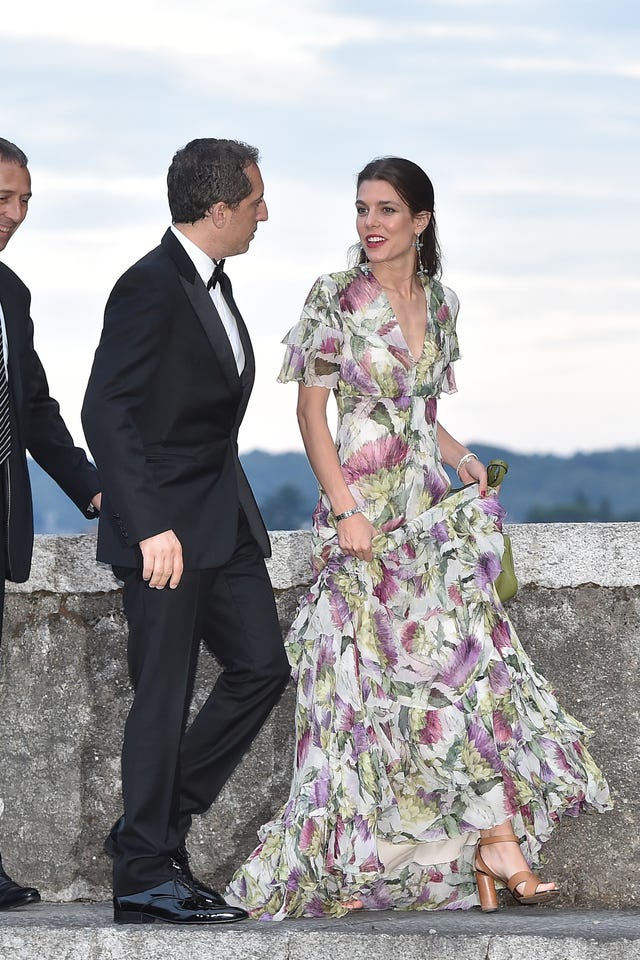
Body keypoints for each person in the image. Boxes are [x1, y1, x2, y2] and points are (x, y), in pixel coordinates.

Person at [228, 156, 611, 918]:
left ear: (421, 222)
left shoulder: (441, 302)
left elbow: (421, 412)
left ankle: (491, 844)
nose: (370, 223)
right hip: (364, 516)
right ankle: (495, 844)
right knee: (410, 689)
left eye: (387, 210)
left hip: (429, 518)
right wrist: (344, 511)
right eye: (362, 209)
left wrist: (464, 457)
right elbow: (312, 415)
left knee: (465, 676)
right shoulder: (335, 297)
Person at [81, 138, 290, 926]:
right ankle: (143, 875)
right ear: (217, 208)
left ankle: (156, 826)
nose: (264, 213)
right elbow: (106, 410)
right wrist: (149, 526)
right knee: (162, 699)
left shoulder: (212, 281)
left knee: (263, 669)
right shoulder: (149, 284)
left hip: (223, 521)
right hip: (165, 535)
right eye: (255, 200)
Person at [0, 137, 101, 909]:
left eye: (25, 200)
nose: (15, 214)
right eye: (3, 197)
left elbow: (36, 413)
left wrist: (97, 493)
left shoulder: (12, 294)